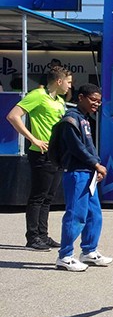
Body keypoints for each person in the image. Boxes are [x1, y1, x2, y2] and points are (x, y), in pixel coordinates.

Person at [6, 66, 72, 251]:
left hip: (57, 154)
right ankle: (33, 237)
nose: (69, 86)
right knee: (38, 196)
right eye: (68, 82)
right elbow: (13, 116)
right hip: (41, 153)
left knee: (48, 197)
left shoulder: (59, 100)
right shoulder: (38, 95)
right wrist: (33, 138)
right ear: (59, 81)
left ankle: (43, 235)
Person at [55, 83, 112, 272]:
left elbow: (89, 147)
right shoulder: (70, 120)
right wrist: (96, 164)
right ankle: (65, 256)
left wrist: (96, 167)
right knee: (76, 215)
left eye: (99, 101)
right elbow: (77, 148)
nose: (97, 104)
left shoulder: (85, 120)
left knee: (94, 214)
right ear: (81, 98)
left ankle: (89, 251)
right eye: (93, 100)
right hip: (77, 173)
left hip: (89, 173)